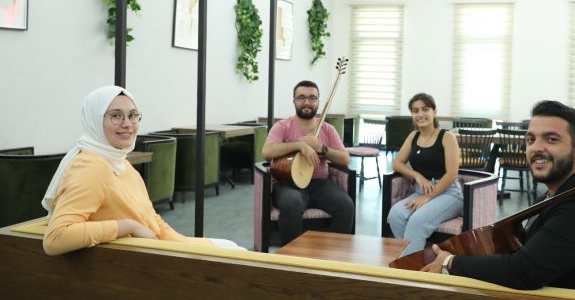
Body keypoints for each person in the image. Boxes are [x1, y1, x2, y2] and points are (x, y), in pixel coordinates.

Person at [421, 100, 575, 294]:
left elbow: (524, 272)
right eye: (531, 139)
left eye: (551, 139)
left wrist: (450, 263)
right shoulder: (565, 192)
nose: (536, 148)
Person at [42, 85, 244, 256]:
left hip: (159, 249)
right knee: (238, 256)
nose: (127, 124)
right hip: (143, 260)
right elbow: (56, 238)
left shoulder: (121, 163)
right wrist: (127, 226)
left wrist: (182, 244)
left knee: (234, 249)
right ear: (94, 120)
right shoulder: (91, 168)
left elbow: (151, 219)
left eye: (132, 115)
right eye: (115, 116)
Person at [262, 80, 354, 246]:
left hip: (319, 184)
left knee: (346, 206)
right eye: (301, 98)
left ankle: (334, 255)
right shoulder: (282, 126)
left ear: (318, 101)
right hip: (287, 184)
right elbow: (267, 152)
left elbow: (345, 159)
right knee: (292, 203)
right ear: (294, 101)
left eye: (312, 98)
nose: (307, 102)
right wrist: (300, 145)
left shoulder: (327, 129)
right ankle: (294, 257)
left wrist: (322, 148)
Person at [387, 93, 463, 256]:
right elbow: (397, 163)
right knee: (395, 215)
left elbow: (452, 174)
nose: (420, 114)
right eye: (415, 111)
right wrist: (417, 175)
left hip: (449, 194)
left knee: (417, 221)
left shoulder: (447, 136)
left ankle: (408, 266)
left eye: (425, 109)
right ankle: (415, 258)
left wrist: (427, 198)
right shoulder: (413, 136)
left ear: (434, 111)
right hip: (421, 191)